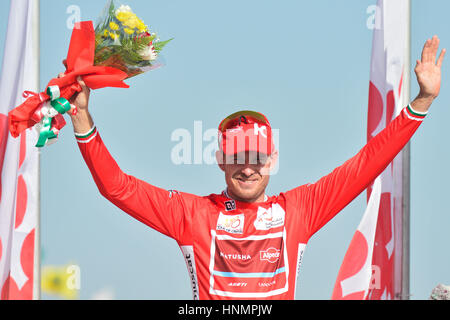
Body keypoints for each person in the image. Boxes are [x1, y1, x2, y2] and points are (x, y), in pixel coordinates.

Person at [60, 36, 445, 300]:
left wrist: (421, 102)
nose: (247, 168)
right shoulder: (193, 214)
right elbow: (117, 188)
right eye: (238, 157)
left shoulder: (299, 210)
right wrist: (82, 121)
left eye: (256, 157)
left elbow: (366, 164)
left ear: (271, 160)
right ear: (220, 160)